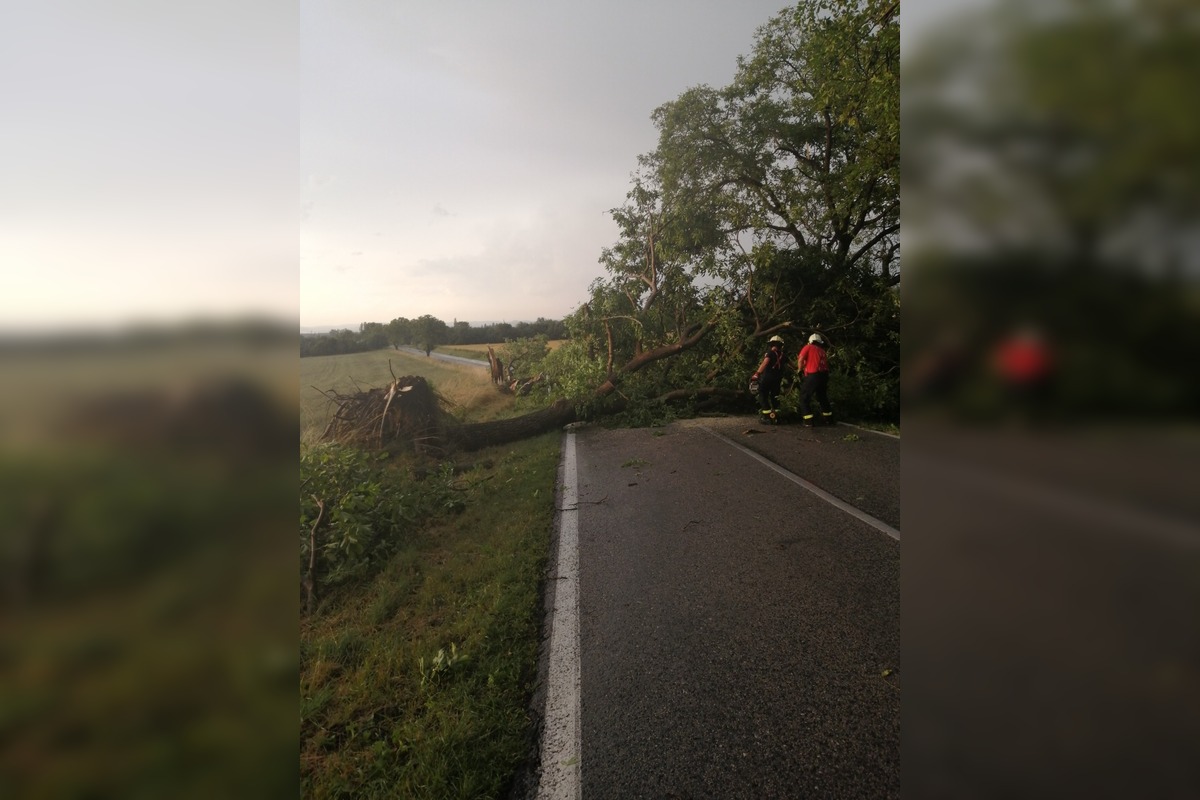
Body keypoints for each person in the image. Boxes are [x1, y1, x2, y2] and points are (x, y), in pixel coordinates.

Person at [796, 332, 833, 426]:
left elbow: (800, 359)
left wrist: (799, 370)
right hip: (824, 375)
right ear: (819, 342)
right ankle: (828, 419)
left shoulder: (808, 347)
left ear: (810, 341)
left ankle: (808, 421)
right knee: (822, 397)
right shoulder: (822, 350)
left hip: (813, 375)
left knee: (804, 397)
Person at [750, 335, 787, 424]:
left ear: (771, 344)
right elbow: (793, 366)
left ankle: (767, 417)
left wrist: (757, 374)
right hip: (777, 379)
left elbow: (764, 363)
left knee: (762, 394)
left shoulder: (770, 353)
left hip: (767, 378)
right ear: (781, 345)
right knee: (775, 397)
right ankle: (776, 418)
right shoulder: (784, 356)